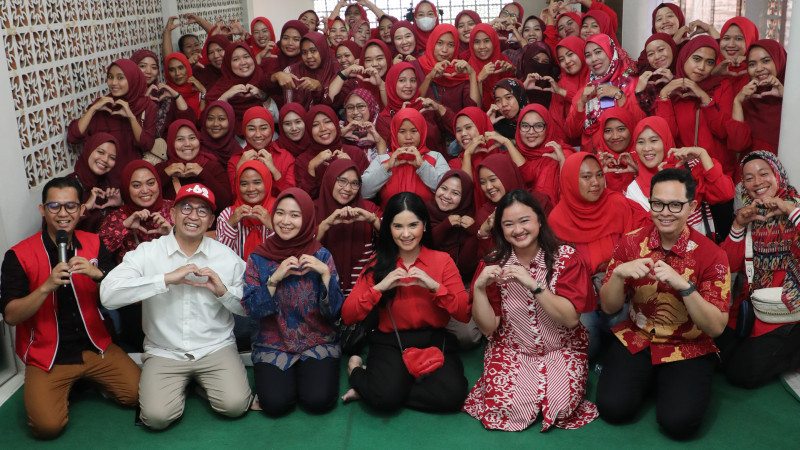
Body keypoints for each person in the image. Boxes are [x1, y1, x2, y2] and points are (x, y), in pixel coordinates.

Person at [101, 183, 252, 430]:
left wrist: (223, 292)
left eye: (202, 211)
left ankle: (201, 382)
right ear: (172, 214)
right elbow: (108, 294)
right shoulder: (148, 252)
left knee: (235, 406)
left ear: (211, 220)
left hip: (215, 348)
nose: (194, 216)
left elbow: (249, 307)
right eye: (187, 208)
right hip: (165, 351)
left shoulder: (226, 256)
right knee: (156, 418)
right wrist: (165, 279)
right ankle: (187, 384)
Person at [1, 177, 140, 439]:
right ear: (42, 210)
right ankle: (69, 385)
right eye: (55, 206)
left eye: (71, 206)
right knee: (46, 428)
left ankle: (86, 380)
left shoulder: (94, 243)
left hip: (95, 346)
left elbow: (119, 293)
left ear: (80, 209)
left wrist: (99, 274)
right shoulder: (18, 255)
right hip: (49, 356)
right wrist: (45, 287)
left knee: (138, 395)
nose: (63, 213)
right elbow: (10, 316)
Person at [597, 169, 731, 439]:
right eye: (657, 203)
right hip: (638, 337)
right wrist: (620, 274)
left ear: (691, 206)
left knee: (679, 424)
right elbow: (609, 308)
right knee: (613, 408)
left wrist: (685, 287)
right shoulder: (632, 242)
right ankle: (653, 380)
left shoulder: (712, 254)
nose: (665, 212)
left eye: (675, 205)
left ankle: (665, 383)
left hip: (688, 347)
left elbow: (716, 327)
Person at [464, 188, 597, 431]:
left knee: (562, 407)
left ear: (539, 219)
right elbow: (488, 327)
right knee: (505, 406)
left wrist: (534, 285)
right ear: (501, 229)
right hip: (512, 349)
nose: (517, 230)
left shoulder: (566, 258)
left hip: (561, 348)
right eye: (508, 224)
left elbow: (570, 319)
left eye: (524, 220)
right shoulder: (493, 262)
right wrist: (480, 290)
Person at [340, 192, 470, 412]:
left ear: (425, 225)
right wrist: (379, 288)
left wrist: (434, 286)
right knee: (385, 399)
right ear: (389, 229)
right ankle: (357, 371)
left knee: (453, 397)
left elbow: (464, 313)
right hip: (390, 340)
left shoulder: (442, 261)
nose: (406, 234)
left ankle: (377, 389)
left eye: (413, 225)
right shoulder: (378, 263)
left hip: (433, 338)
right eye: (398, 226)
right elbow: (348, 315)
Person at [243, 188, 344, 415]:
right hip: (274, 341)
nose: (285, 221)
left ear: (307, 218)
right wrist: (274, 279)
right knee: (276, 405)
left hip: (317, 339)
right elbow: (251, 309)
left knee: (317, 402)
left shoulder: (321, 256)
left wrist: (326, 276)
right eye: (280, 213)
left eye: (295, 215)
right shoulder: (258, 257)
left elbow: (335, 312)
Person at [549, 153, 649, 360]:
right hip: (579, 293)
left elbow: (632, 248)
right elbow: (559, 272)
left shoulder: (617, 204)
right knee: (588, 344)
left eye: (599, 175)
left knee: (619, 323)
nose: (595, 183)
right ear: (570, 181)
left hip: (617, 285)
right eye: (586, 177)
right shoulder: (557, 219)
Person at [718, 151, 800, 388]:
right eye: (748, 178)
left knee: (741, 375)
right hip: (752, 304)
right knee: (718, 358)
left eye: (764, 174)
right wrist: (737, 225)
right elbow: (727, 265)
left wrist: (789, 211)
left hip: (787, 308)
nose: (757, 183)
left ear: (777, 175)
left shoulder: (794, 207)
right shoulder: (749, 213)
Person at [628, 117, 734, 241]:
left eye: (654, 140)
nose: (647, 148)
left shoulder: (691, 166)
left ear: (666, 140)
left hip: (703, 252)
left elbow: (725, 193)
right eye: (640, 142)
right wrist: (664, 187)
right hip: (662, 258)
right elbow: (643, 237)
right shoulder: (634, 190)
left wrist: (702, 154)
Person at [655, 35, 737, 177]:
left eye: (709, 62)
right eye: (697, 59)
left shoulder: (721, 87)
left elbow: (723, 131)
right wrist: (664, 95)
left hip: (717, 173)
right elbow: (669, 135)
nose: (702, 67)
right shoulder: (673, 91)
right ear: (685, 57)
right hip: (685, 175)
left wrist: (704, 97)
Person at [68, 59, 157, 180]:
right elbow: (74, 136)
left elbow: (146, 144)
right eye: (110, 77)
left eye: (120, 78)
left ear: (132, 79)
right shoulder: (103, 104)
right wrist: (93, 109)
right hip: (101, 177)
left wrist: (130, 116)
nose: (113, 82)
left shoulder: (147, 106)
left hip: (131, 178)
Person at [566, 34, 643, 151]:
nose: (594, 59)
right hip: (593, 162)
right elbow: (571, 132)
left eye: (598, 52)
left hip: (624, 159)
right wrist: (581, 103)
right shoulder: (585, 91)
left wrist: (619, 95)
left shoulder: (632, 83)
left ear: (610, 51)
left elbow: (639, 124)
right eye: (588, 55)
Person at [315, 159, 381, 296]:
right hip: (322, 297)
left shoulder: (369, 209)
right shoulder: (313, 209)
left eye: (354, 183)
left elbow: (392, 240)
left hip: (362, 296)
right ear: (330, 179)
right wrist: (326, 224)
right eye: (342, 181)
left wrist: (371, 220)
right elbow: (301, 249)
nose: (347, 189)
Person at [362, 108, 449, 208]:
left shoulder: (435, 157)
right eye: (402, 131)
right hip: (391, 222)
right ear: (394, 133)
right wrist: (387, 166)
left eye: (414, 131)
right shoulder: (382, 160)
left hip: (427, 221)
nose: (408, 137)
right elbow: (364, 191)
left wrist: (423, 166)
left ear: (422, 131)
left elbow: (447, 192)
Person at [100, 160, 174, 264]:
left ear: (158, 183)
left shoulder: (173, 210)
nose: (145, 190)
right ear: (126, 188)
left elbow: (195, 246)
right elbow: (99, 253)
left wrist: (171, 233)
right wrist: (124, 226)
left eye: (151, 183)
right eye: (136, 185)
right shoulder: (117, 217)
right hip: (132, 279)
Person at [375, 62, 454, 155]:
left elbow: (457, 128)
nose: (408, 85)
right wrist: (401, 118)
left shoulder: (427, 106)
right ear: (391, 83)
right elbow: (391, 150)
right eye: (402, 80)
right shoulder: (384, 118)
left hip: (435, 165)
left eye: (412, 80)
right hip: (402, 167)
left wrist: (439, 108)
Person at [728, 39, 786, 165]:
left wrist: (786, 97)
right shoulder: (748, 98)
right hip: (751, 176)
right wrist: (737, 102)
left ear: (779, 60)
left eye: (766, 61)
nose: (759, 68)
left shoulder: (793, 95)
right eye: (752, 64)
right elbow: (737, 145)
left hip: (789, 174)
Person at [155, 120, 231, 215]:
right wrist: (165, 174)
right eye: (180, 139)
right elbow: (147, 199)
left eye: (192, 138)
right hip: (170, 229)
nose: (187, 144)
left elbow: (226, 204)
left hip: (207, 229)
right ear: (170, 142)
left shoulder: (212, 167)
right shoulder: (162, 169)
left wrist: (203, 174)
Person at [296, 105, 369, 199]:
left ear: (335, 123)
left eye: (327, 122)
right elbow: (303, 201)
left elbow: (367, 193)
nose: (323, 128)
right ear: (309, 130)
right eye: (315, 125)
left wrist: (352, 167)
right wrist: (311, 168)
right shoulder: (303, 160)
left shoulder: (355, 153)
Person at [228, 106, 295, 197]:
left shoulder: (285, 157)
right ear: (244, 131)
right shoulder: (236, 161)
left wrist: (274, 171)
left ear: (272, 129)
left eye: (263, 128)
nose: (258, 134)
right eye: (251, 129)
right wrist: (239, 169)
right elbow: (234, 198)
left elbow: (291, 197)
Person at [131, 48, 196, 141]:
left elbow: (188, 123)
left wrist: (176, 95)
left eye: (154, 67)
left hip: (163, 151)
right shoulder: (126, 95)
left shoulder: (162, 95)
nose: (148, 71)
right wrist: (144, 99)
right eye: (142, 66)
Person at [205, 42, 268, 135]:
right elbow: (209, 121)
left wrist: (263, 95)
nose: (243, 62)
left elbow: (277, 118)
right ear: (228, 64)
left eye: (246, 57)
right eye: (235, 59)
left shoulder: (264, 80)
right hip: (233, 141)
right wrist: (225, 97)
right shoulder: (221, 86)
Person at [515, 104, 573, 205]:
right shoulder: (515, 156)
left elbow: (573, 192)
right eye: (525, 126)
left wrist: (562, 162)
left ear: (548, 127)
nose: (531, 132)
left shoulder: (562, 154)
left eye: (538, 126)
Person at [217, 161, 275, 261]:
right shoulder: (227, 215)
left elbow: (286, 251)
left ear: (267, 182)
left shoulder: (279, 211)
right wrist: (231, 224)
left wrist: (271, 226)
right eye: (244, 184)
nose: (251, 189)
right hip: (236, 274)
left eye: (257, 182)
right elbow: (218, 256)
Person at [418, 24, 480, 114]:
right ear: (432, 42)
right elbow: (415, 104)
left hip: (454, 126)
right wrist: (429, 77)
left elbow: (475, 110)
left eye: (450, 45)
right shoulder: (417, 66)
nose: (444, 50)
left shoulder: (460, 71)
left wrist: (472, 74)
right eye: (440, 43)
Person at [68, 133, 122, 233]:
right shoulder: (66, 186)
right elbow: (56, 229)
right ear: (89, 150)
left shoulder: (109, 185)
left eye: (112, 157)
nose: (105, 160)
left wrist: (118, 206)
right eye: (101, 152)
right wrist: (86, 207)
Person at [467, 24, 515, 110]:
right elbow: (474, 108)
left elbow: (515, 100)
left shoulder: (503, 61)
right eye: (477, 42)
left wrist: (512, 70)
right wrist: (479, 79)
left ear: (494, 42)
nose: (482, 46)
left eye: (486, 41)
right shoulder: (468, 68)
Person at [593, 106, 639, 192]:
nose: (615, 136)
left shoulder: (646, 159)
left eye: (621, 129)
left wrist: (641, 172)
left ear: (631, 129)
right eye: (608, 131)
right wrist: (597, 174)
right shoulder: (595, 163)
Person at [634, 33, 678, 116]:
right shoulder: (649, 80)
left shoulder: (686, 71)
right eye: (651, 54)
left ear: (672, 47)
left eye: (661, 50)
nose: (657, 56)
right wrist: (640, 91)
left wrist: (673, 80)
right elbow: (651, 115)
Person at [340, 89, 386, 163]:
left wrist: (379, 141)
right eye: (350, 107)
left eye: (361, 106)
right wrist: (340, 134)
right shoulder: (337, 128)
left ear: (371, 107)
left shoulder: (381, 127)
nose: (355, 112)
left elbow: (384, 167)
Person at [199, 100, 241, 168]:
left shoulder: (238, 152)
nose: (215, 124)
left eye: (221, 119)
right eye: (210, 118)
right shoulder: (195, 145)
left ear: (231, 121)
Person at [163, 52, 205, 119]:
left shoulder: (197, 90)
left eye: (180, 68)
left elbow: (202, 120)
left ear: (187, 68)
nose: (177, 73)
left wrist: (203, 92)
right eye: (172, 70)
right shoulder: (165, 95)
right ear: (167, 73)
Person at [489, 77, 526, 142]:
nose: (503, 104)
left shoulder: (535, 122)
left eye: (508, 97)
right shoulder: (496, 126)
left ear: (519, 97)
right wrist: (487, 124)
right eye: (498, 100)